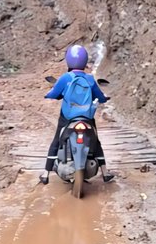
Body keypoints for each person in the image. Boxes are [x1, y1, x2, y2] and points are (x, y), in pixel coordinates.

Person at [40, 44, 114, 185]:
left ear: (68, 60)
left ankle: (45, 174)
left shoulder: (65, 78)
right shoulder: (90, 79)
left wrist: (48, 95)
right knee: (96, 141)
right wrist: (104, 98)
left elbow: (54, 94)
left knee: (56, 140)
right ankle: (105, 172)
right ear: (85, 61)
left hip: (67, 118)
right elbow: (101, 97)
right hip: (87, 118)